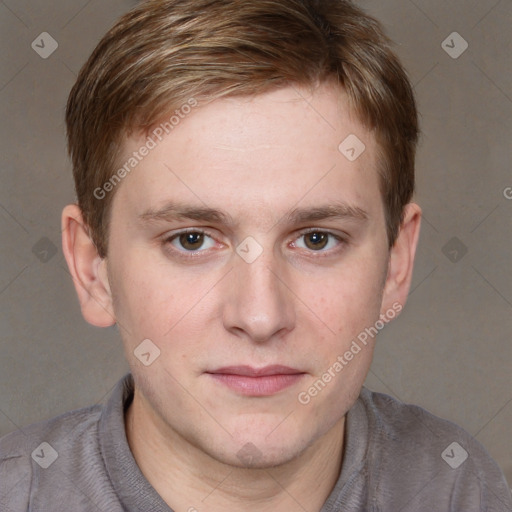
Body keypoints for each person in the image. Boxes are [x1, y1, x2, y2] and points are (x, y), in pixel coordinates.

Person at [1, 0, 510, 510]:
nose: (261, 316)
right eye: (191, 240)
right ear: (94, 270)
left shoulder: (459, 488)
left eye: (317, 239)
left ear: (396, 265)